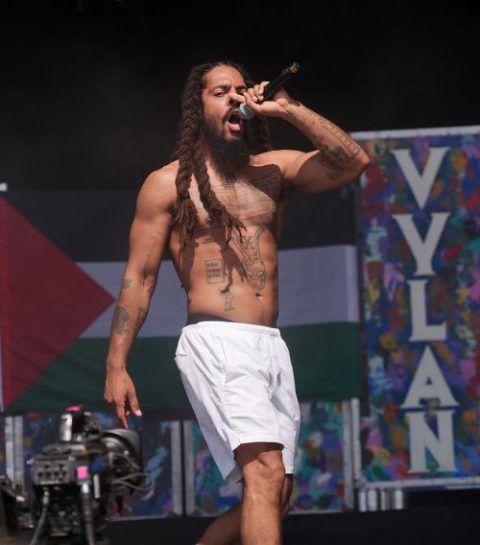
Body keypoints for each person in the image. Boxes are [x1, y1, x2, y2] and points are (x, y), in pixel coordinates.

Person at [104, 60, 370, 545]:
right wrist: (116, 365)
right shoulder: (168, 184)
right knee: (265, 473)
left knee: (276, 492)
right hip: (218, 342)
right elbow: (139, 278)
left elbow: (352, 162)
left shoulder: (273, 170)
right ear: (198, 108)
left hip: (268, 344)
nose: (235, 97)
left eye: (241, 90)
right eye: (221, 91)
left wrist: (287, 108)